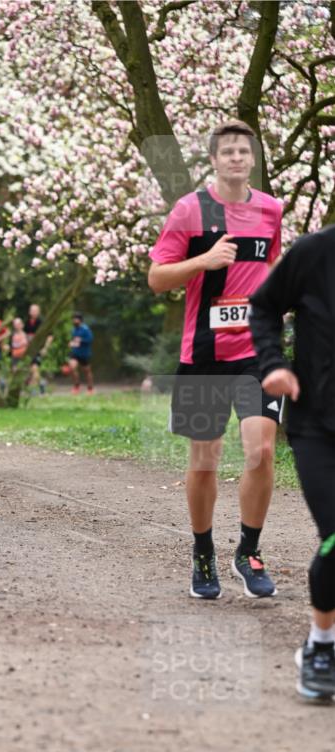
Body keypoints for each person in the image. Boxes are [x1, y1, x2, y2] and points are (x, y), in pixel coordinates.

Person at [148, 119, 283, 601]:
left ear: (253, 159)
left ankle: (248, 551)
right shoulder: (189, 211)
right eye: (228, 151)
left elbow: (272, 271)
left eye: (244, 152)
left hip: (256, 352)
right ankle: (203, 552)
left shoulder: (271, 209)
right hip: (203, 353)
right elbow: (158, 278)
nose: (237, 159)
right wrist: (201, 263)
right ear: (214, 159)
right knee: (204, 459)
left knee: (261, 449)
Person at [249, 225, 335, 700]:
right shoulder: (315, 252)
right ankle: (322, 644)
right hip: (318, 425)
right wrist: (273, 365)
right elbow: (263, 307)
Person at [68, 313, 94, 394]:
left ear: (80, 320)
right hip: (75, 353)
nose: (74, 321)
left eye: (75, 319)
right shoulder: (73, 330)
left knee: (87, 371)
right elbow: (74, 340)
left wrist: (81, 340)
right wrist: (71, 343)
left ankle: (90, 388)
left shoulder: (85, 329)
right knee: (72, 367)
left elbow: (90, 340)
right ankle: (76, 386)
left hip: (84, 354)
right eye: (73, 319)